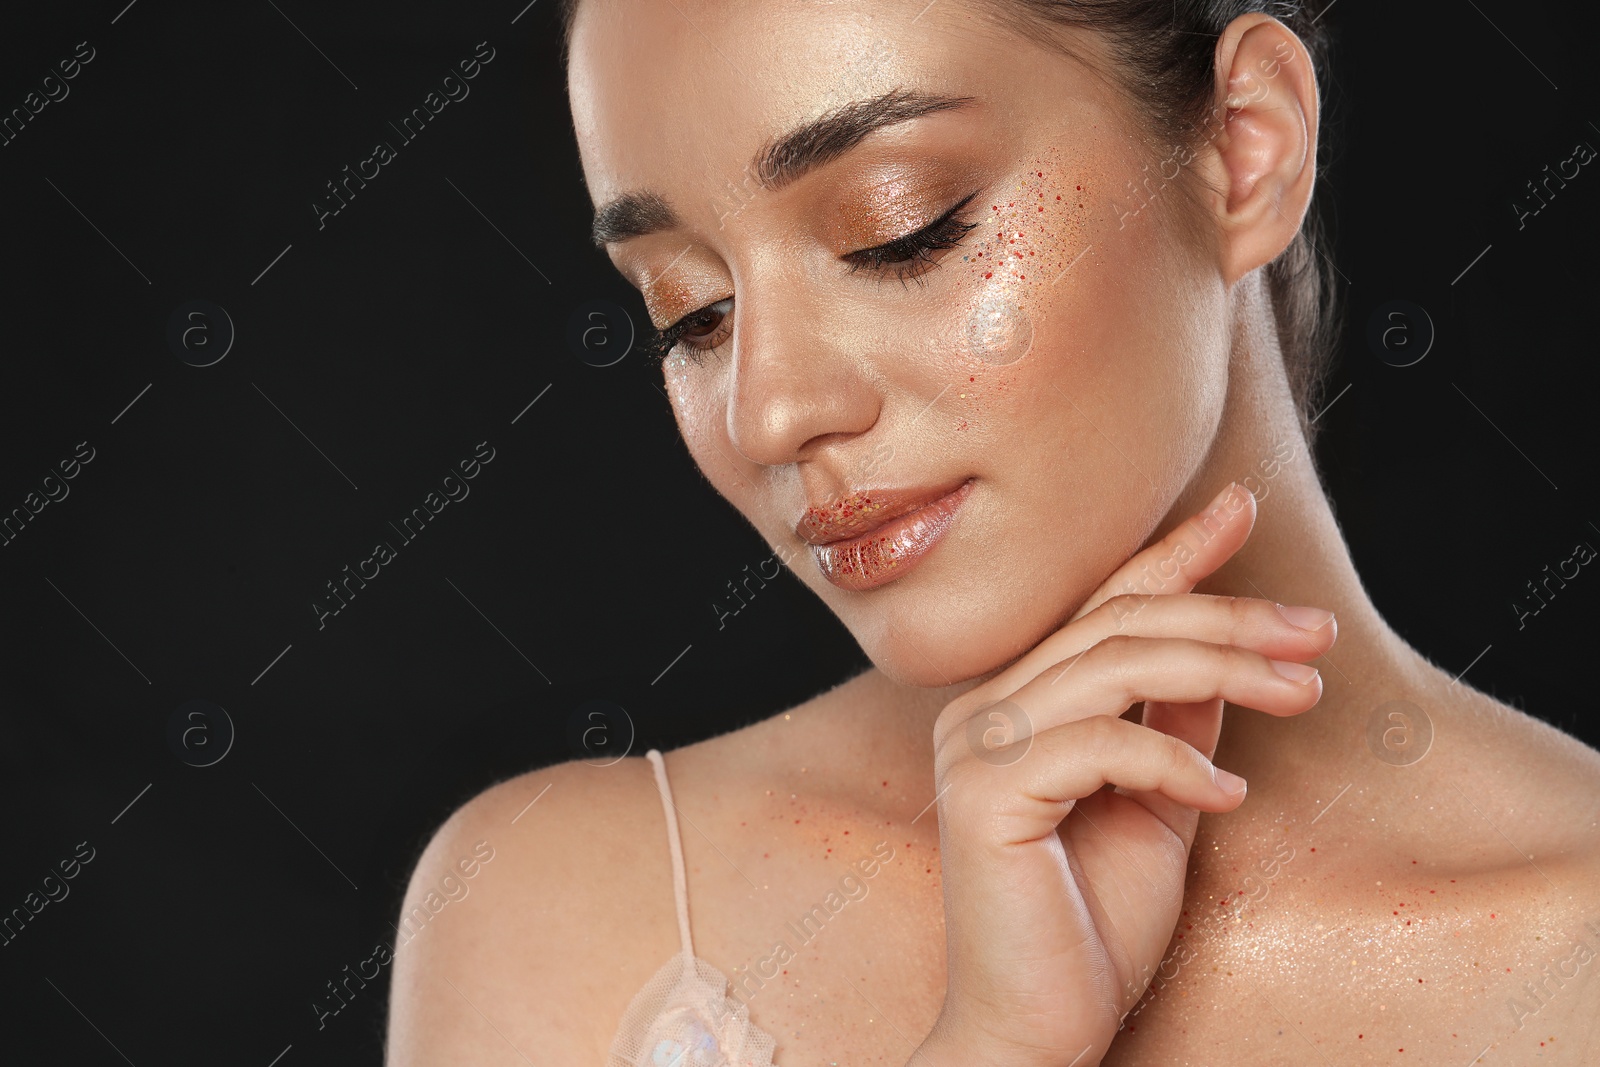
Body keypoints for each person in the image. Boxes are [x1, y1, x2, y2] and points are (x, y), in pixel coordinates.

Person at [384, 1, 1600, 1063]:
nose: (769, 409)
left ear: (1244, 148)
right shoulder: (566, 911)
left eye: (899, 230)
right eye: (690, 311)